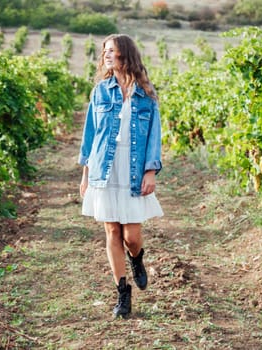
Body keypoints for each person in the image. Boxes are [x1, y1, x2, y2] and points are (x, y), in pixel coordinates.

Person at [78, 34, 164, 319]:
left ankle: (136, 258)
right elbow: (90, 136)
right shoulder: (100, 92)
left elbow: (154, 136)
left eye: (111, 51)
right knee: (112, 231)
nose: (106, 55)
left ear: (125, 55)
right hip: (104, 169)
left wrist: (151, 170)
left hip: (133, 169)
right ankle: (122, 293)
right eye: (104, 51)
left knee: (132, 236)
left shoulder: (146, 94)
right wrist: (85, 175)